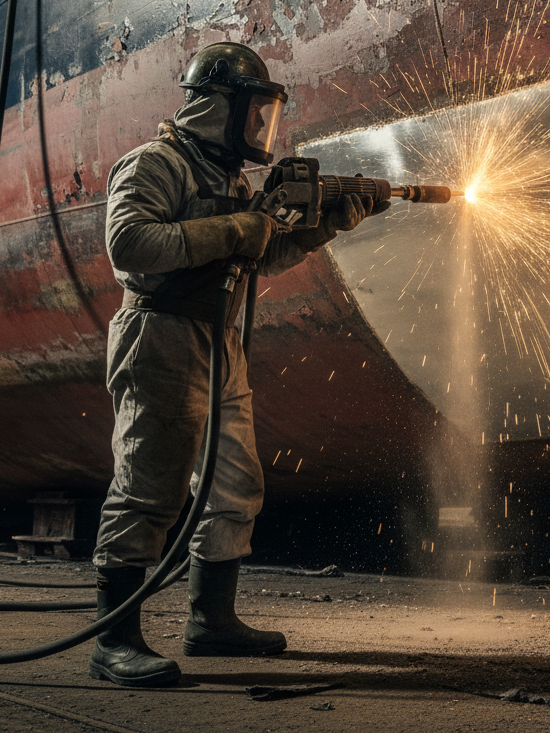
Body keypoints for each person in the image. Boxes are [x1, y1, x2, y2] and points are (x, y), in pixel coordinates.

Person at [90, 42, 387, 687]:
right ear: (212, 108)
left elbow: (254, 263)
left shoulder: (230, 183)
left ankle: (210, 621)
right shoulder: (155, 165)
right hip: (161, 335)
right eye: (252, 112)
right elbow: (130, 244)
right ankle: (112, 641)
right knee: (149, 487)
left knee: (233, 483)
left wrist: (320, 228)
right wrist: (235, 230)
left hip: (219, 340)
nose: (259, 127)